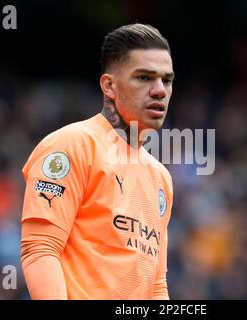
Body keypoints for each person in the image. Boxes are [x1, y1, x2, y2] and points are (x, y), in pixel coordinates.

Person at [20, 23, 175, 299]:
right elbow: (40, 249)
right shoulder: (72, 145)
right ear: (109, 86)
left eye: (167, 80)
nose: (160, 90)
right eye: (144, 78)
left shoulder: (160, 178)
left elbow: (156, 286)